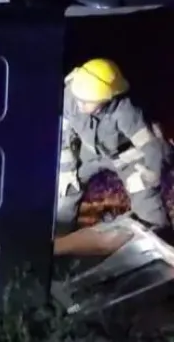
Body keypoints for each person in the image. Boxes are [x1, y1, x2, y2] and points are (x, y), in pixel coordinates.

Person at [57, 58, 172, 235]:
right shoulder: (70, 96)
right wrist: (67, 170)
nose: (79, 105)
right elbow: (64, 136)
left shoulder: (126, 111)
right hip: (88, 152)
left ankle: (161, 238)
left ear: (106, 98)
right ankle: (58, 241)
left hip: (124, 154)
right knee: (67, 188)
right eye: (78, 98)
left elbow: (151, 146)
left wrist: (147, 177)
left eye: (86, 101)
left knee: (144, 193)